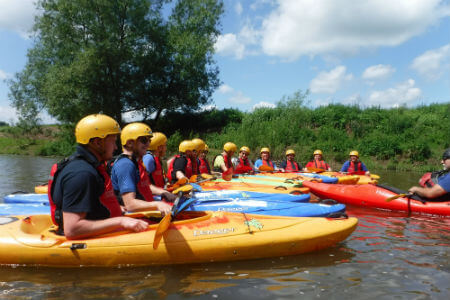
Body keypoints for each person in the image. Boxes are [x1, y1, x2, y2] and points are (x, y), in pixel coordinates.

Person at [48, 114, 148, 239]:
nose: (116, 147)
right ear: (98, 142)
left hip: (109, 231)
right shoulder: (81, 174)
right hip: (93, 240)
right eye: (113, 142)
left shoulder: (91, 166)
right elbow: (72, 229)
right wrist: (121, 221)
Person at [111, 123, 173, 214]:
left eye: (149, 141)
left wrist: (164, 193)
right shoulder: (125, 165)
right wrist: (157, 205)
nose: (148, 144)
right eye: (144, 140)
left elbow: (146, 185)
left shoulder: (136, 161)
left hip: (148, 211)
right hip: (139, 217)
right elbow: (130, 204)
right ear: (129, 143)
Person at [142, 132, 177, 201]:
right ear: (159, 147)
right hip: (153, 197)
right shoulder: (149, 158)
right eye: (165, 145)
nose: (166, 148)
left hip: (160, 194)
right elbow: (144, 183)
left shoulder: (157, 158)